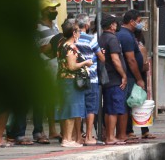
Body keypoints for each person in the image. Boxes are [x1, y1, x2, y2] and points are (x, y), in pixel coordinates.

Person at [9, 0, 62, 145]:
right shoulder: (34, 27)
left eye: (55, 9)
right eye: (51, 9)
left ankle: (38, 131)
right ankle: (18, 134)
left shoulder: (55, 26)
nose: (54, 11)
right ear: (44, 10)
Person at [55, 19, 92, 148]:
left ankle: (66, 138)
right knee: (71, 110)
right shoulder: (70, 46)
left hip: (63, 80)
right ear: (74, 32)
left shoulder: (61, 44)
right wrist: (85, 63)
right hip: (70, 81)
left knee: (66, 109)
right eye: (78, 31)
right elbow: (72, 66)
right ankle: (67, 139)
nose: (80, 34)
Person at [115, 10, 146, 143]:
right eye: (139, 21)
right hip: (129, 76)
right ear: (131, 21)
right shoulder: (126, 36)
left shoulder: (128, 34)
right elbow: (131, 60)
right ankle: (125, 132)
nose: (140, 24)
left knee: (128, 104)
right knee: (127, 104)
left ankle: (127, 131)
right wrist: (139, 79)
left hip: (129, 76)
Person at [74, 14, 105, 146]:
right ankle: (88, 137)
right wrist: (99, 55)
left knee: (78, 108)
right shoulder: (91, 39)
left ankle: (77, 137)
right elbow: (101, 58)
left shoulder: (72, 38)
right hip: (91, 78)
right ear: (87, 25)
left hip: (76, 78)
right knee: (91, 108)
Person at [97, 15, 128, 145]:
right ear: (111, 25)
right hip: (115, 79)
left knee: (109, 108)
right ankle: (110, 137)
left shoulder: (101, 38)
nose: (117, 25)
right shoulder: (112, 39)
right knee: (114, 109)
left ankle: (108, 136)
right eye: (115, 23)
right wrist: (123, 75)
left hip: (106, 78)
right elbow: (115, 59)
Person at [133, 26, 156, 139]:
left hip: (133, 78)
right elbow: (144, 66)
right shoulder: (140, 47)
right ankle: (144, 130)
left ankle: (132, 131)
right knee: (142, 104)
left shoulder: (132, 45)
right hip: (139, 79)